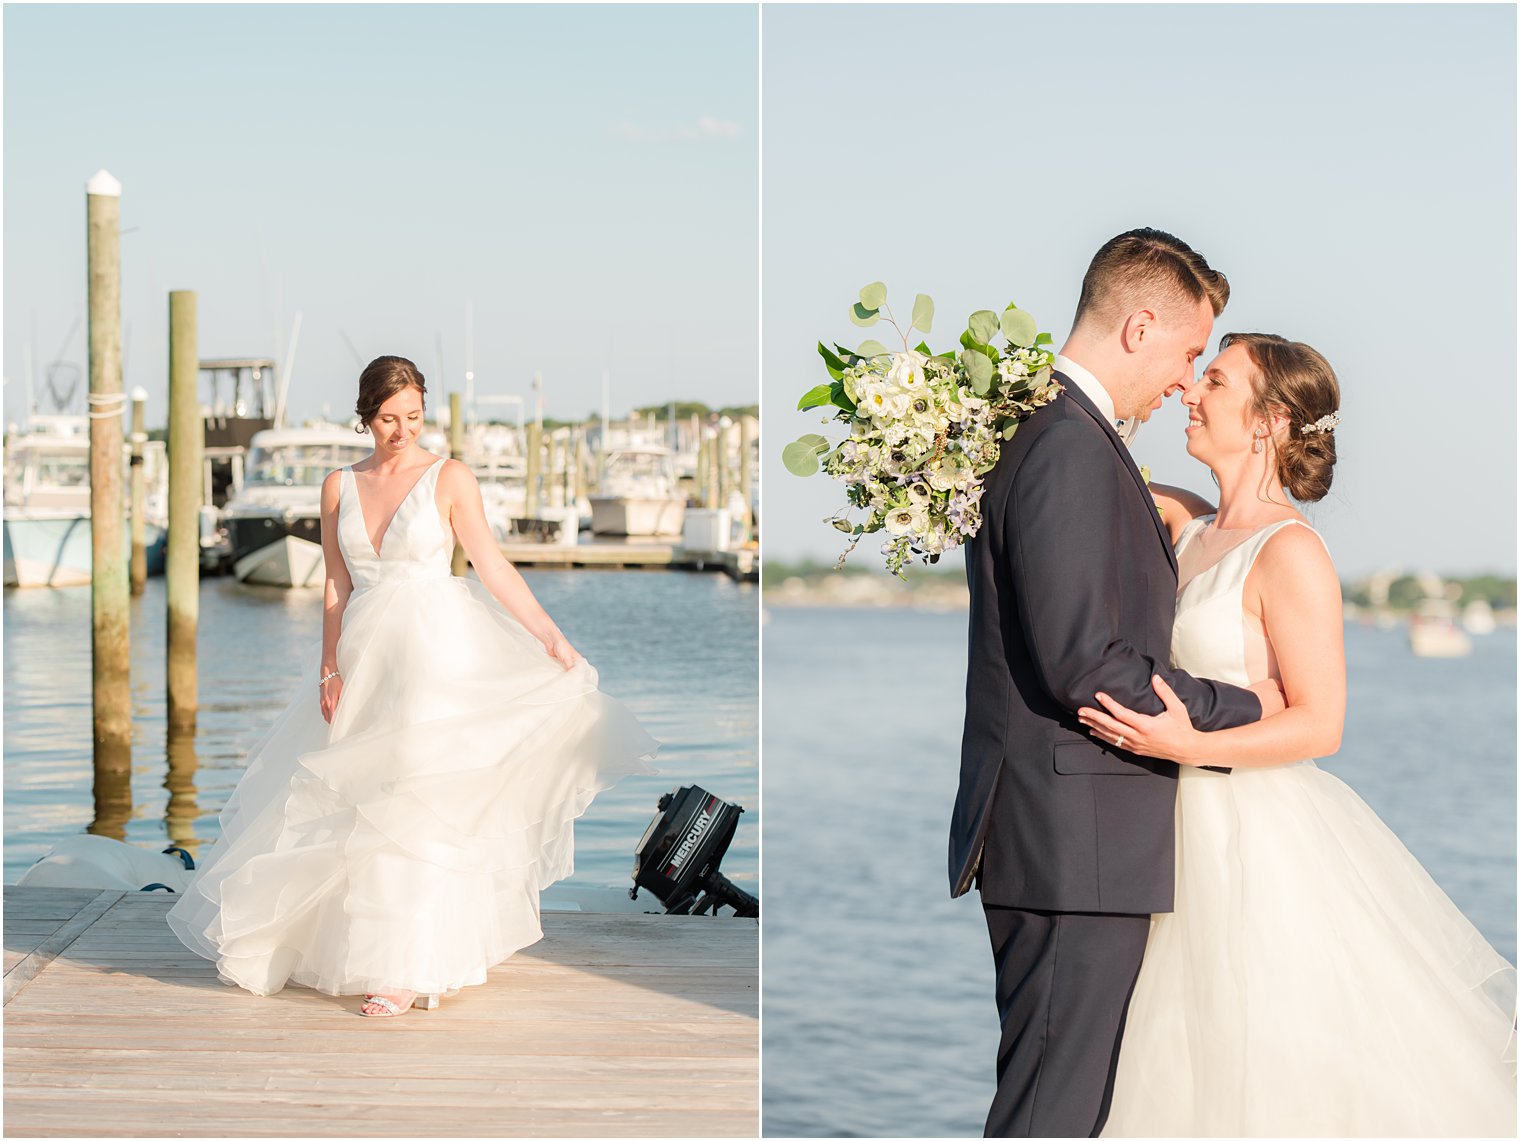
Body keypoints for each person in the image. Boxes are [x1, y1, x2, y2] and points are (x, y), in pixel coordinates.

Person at [1075, 333, 1516, 1136]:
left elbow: (1321, 722)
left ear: (1268, 421)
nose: (1190, 392)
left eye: (1212, 380)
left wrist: (1185, 746)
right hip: (1169, 835)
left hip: (1253, 839)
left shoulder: (1293, 552)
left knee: (1265, 1062)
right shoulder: (1182, 525)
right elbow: (1091, 458)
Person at [167, 355, 656, 1018]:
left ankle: (404, 964)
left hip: (435, 654)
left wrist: (550, 635)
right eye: (389, 418)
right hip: (366, 659)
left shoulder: (449, 476)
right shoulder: (338, 484)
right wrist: (328, 665)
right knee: (354, 798)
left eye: (415, 416)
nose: (402, 430)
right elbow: (336, 583)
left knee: (417, 798)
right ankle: (347, 945)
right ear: (366, 415)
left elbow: (491, 564)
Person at [948, 228, 1290, 1137]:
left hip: (1070, 839)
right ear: (1141, 326)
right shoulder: (1067, 441)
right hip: (1072, 844)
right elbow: (1083, 661)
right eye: (1186, 353)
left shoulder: (1062, 430)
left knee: (1061, 1100)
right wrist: (1248, 706)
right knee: (1052, 1112)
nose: (1186, 379)